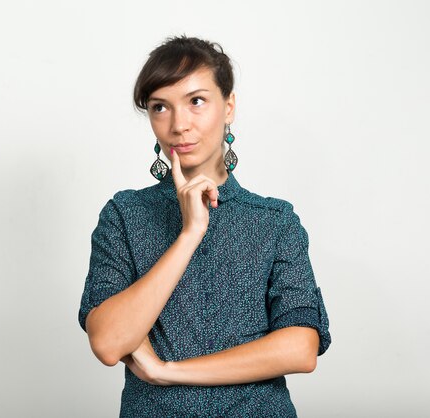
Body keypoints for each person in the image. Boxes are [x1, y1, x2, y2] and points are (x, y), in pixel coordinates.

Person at [78, 35, 331, 417]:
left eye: (197, 101)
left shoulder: (274, 220)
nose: (179, 125)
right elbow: (109, 341)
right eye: (160, 107)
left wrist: (168, 371)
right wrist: (189, 233)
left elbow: (300, 348)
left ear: (228, 107)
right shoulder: (125, 214)